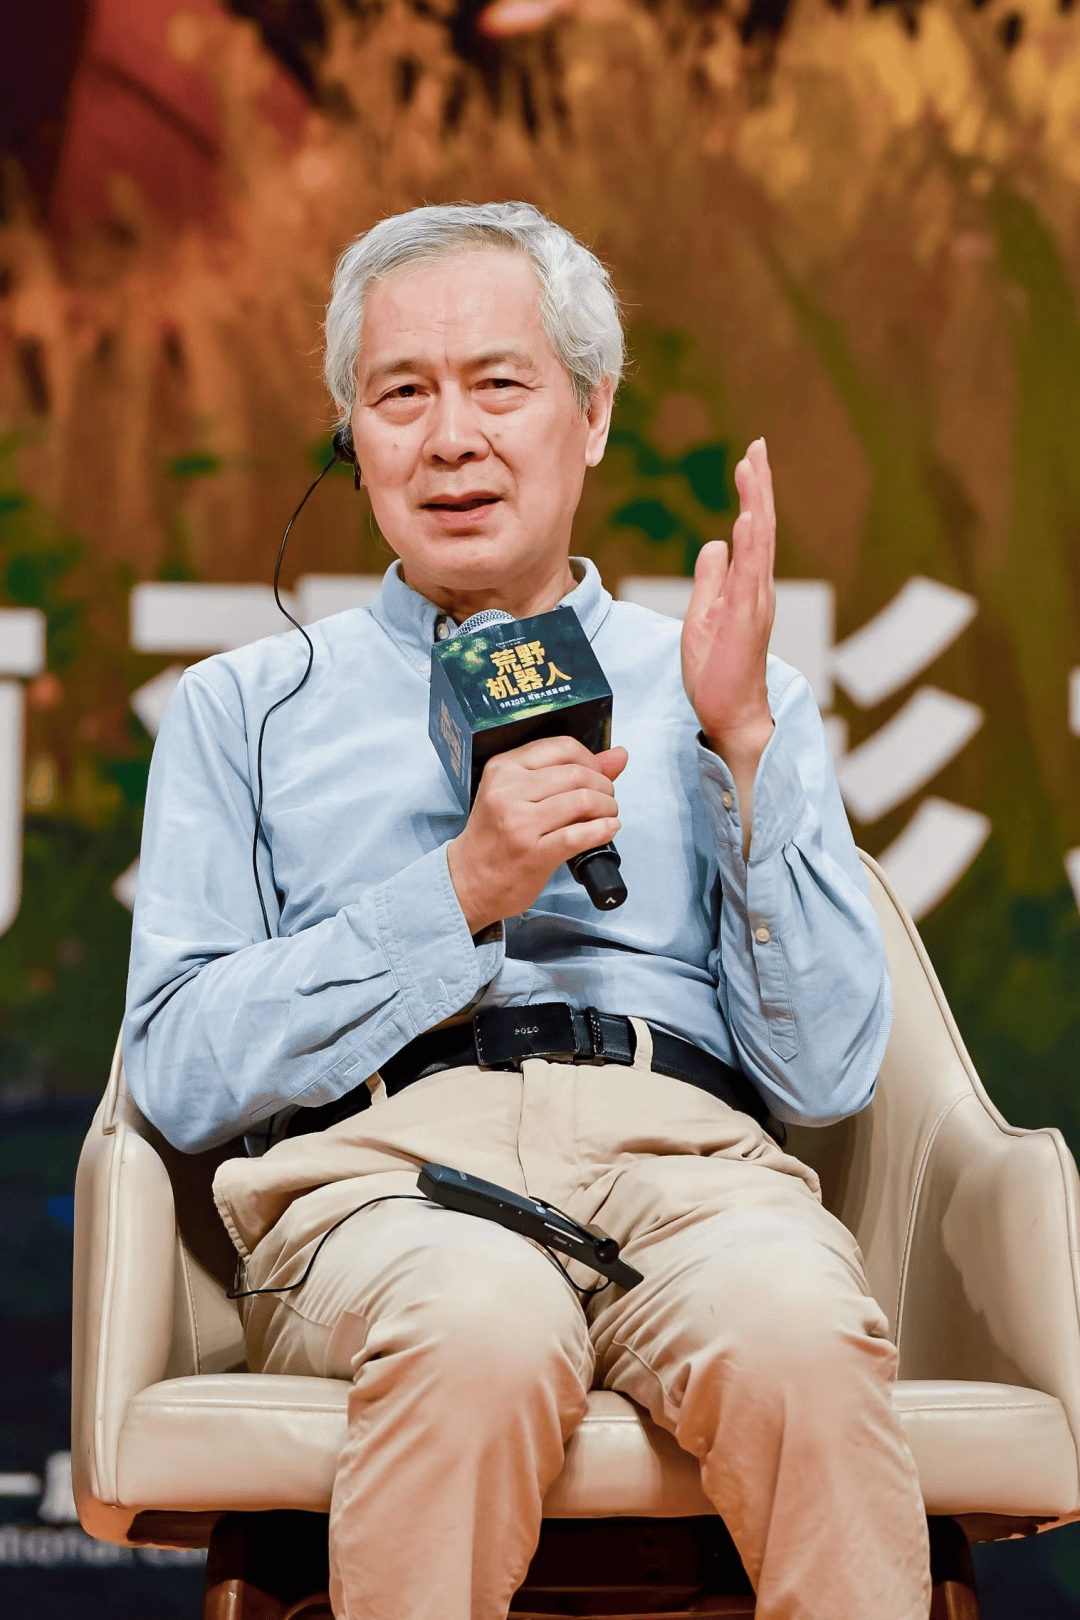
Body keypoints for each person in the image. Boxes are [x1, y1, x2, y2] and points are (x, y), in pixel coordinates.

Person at [123, 201, 931, 1620]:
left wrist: (744, 746)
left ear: (593, 412)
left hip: (691, 1174)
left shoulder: (722, 680)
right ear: (350, 435)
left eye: (500, 384)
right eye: (401, 395)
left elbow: (827, 1073)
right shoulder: (241, 708)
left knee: (801, 1337)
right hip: (384, 1182)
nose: (452, 440)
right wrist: (459, 894)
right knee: (479, 1329)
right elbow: (181, 1073)